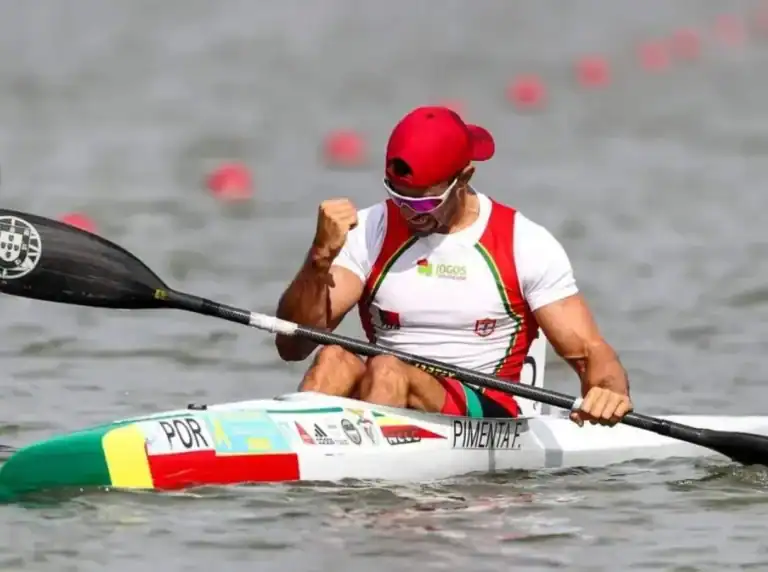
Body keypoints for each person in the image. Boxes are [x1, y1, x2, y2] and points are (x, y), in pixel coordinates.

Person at [275, 105, 632, 426]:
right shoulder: (370, 230)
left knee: (386, 369)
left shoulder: (524, 243)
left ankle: (363, 472)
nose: (409, 212)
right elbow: (292, 347)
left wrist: (608, 392)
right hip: (385, 390)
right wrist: (319, 257)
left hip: (486, 409)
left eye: (425, 202)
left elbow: (590, 353)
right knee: (333, 358)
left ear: (464, 178)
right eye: (397, 196)